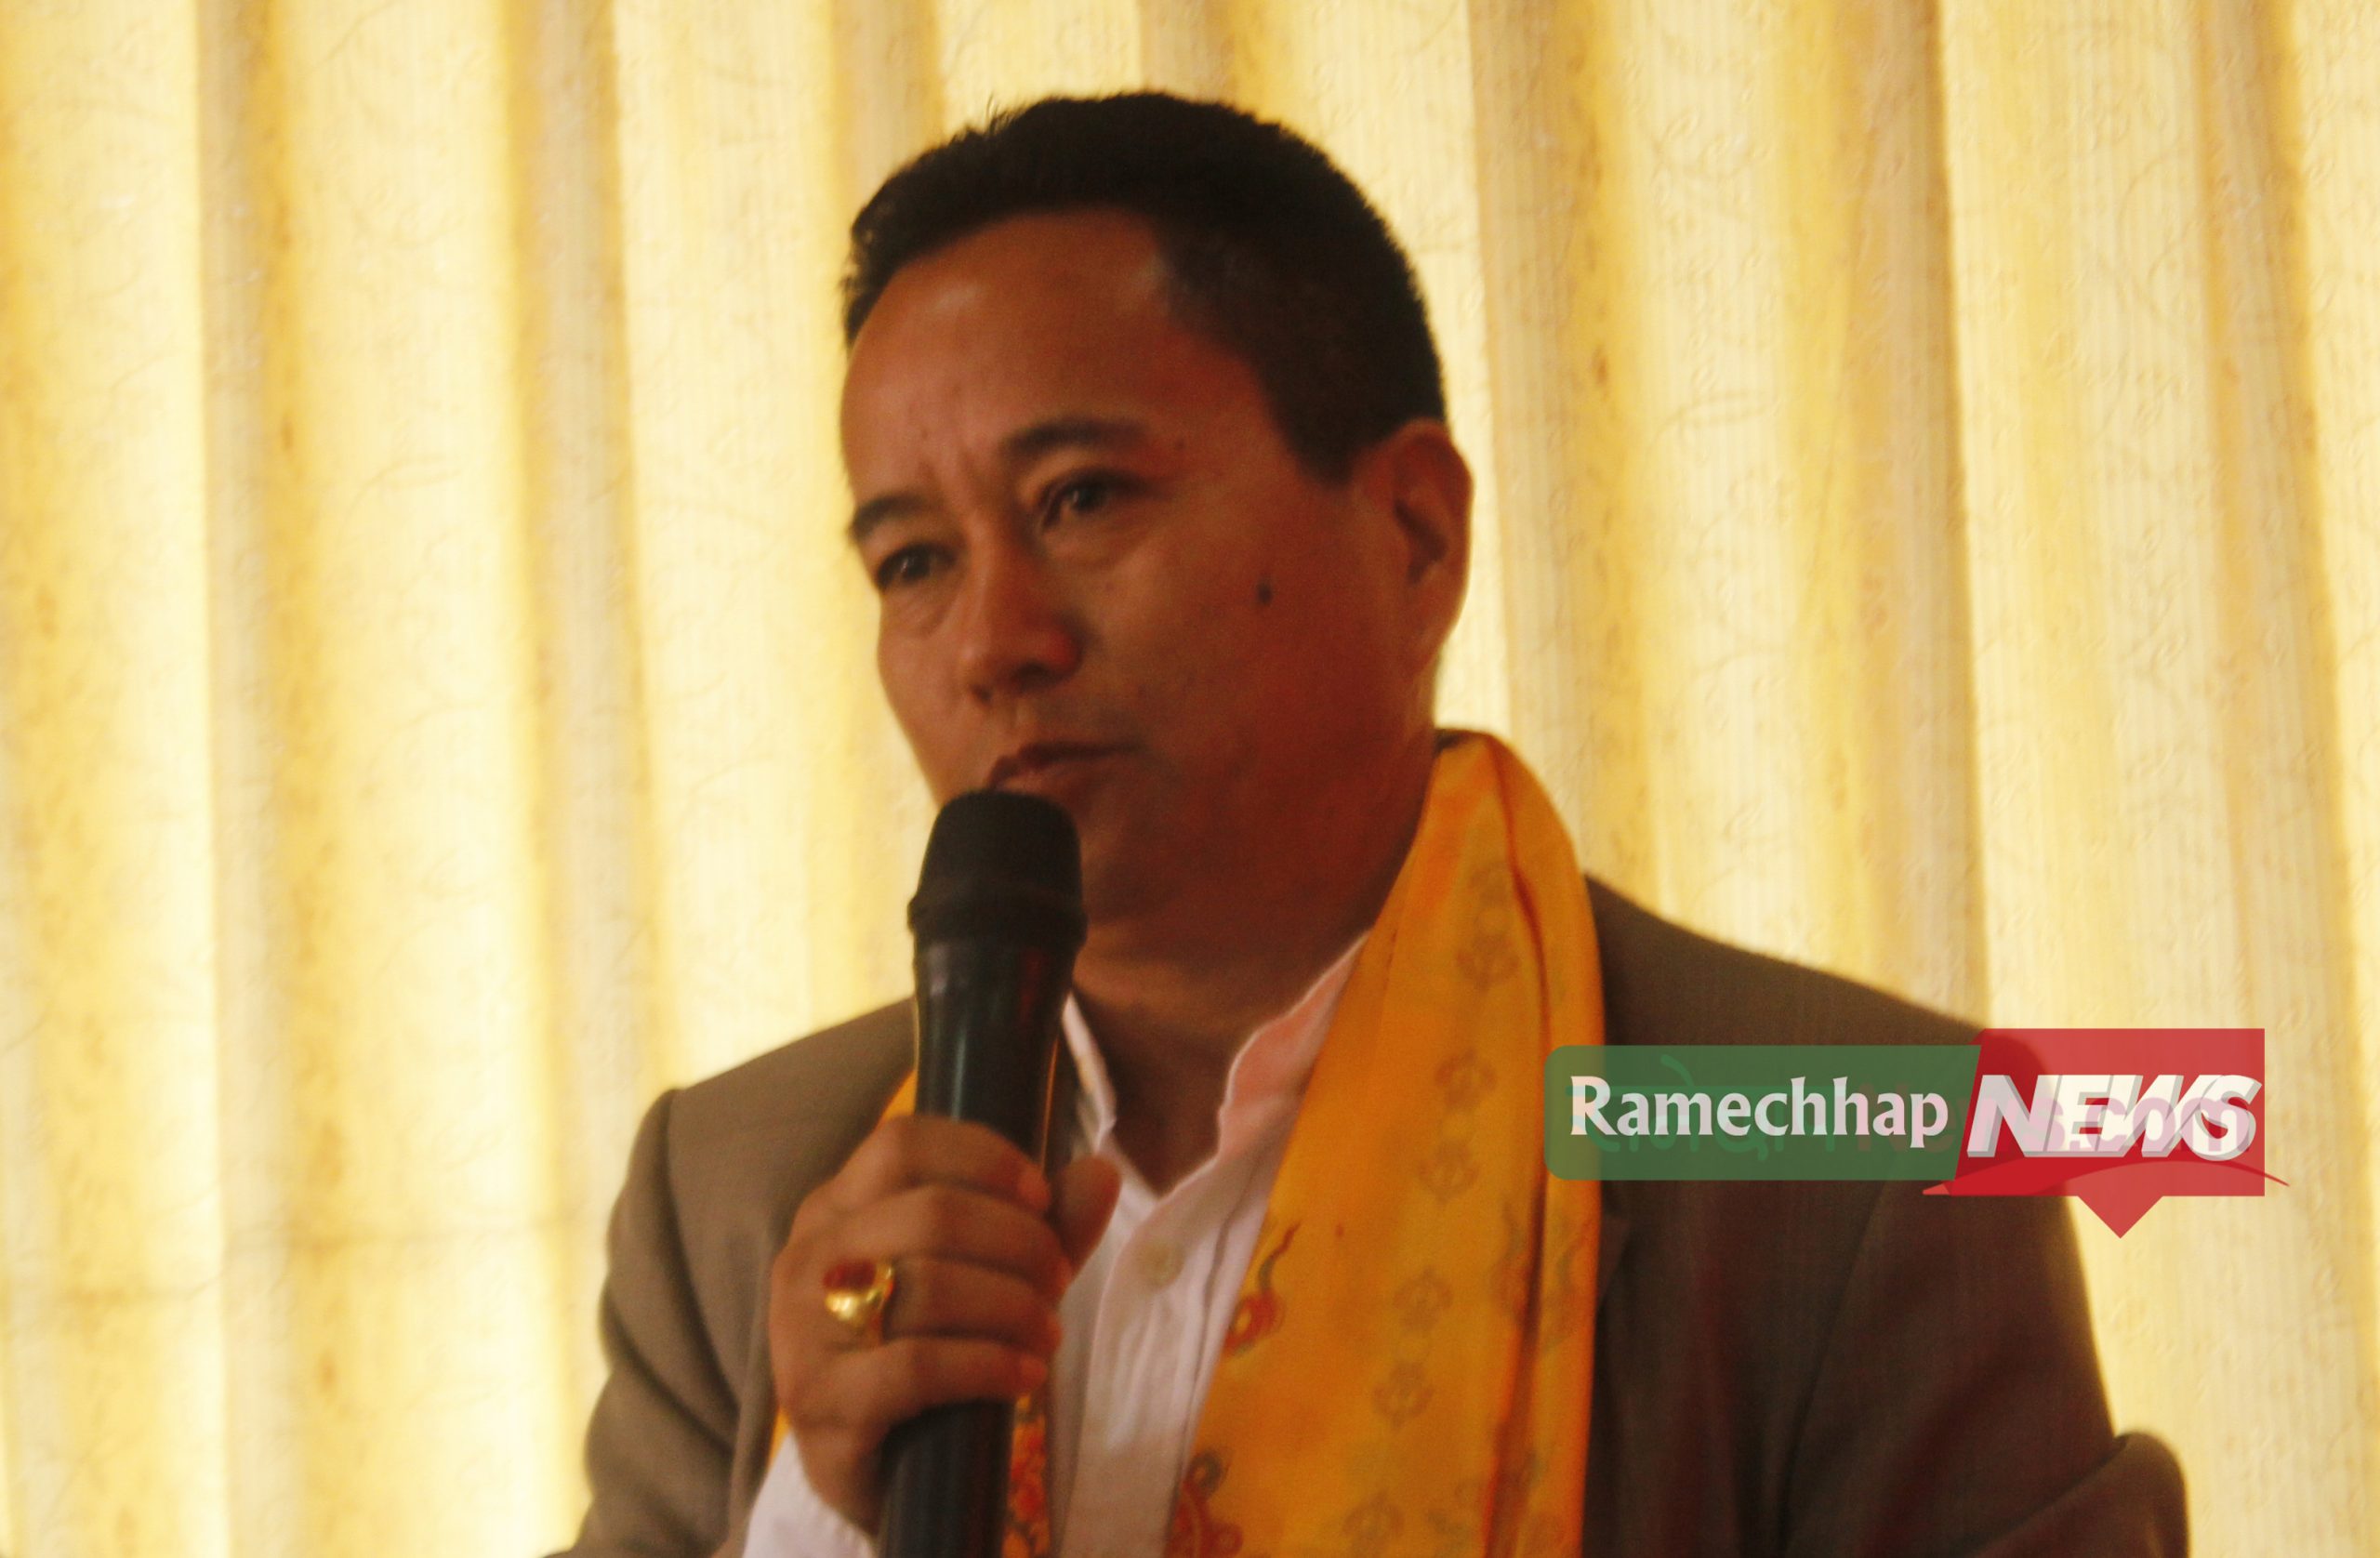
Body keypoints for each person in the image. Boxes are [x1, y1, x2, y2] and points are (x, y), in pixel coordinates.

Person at [553, 93, 2187, 1558]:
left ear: (1415, 534)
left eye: (1083, 499)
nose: (993, 642)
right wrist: (818, 1509)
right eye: (914, 562)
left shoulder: (1870, 1157)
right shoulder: (743, 1196)